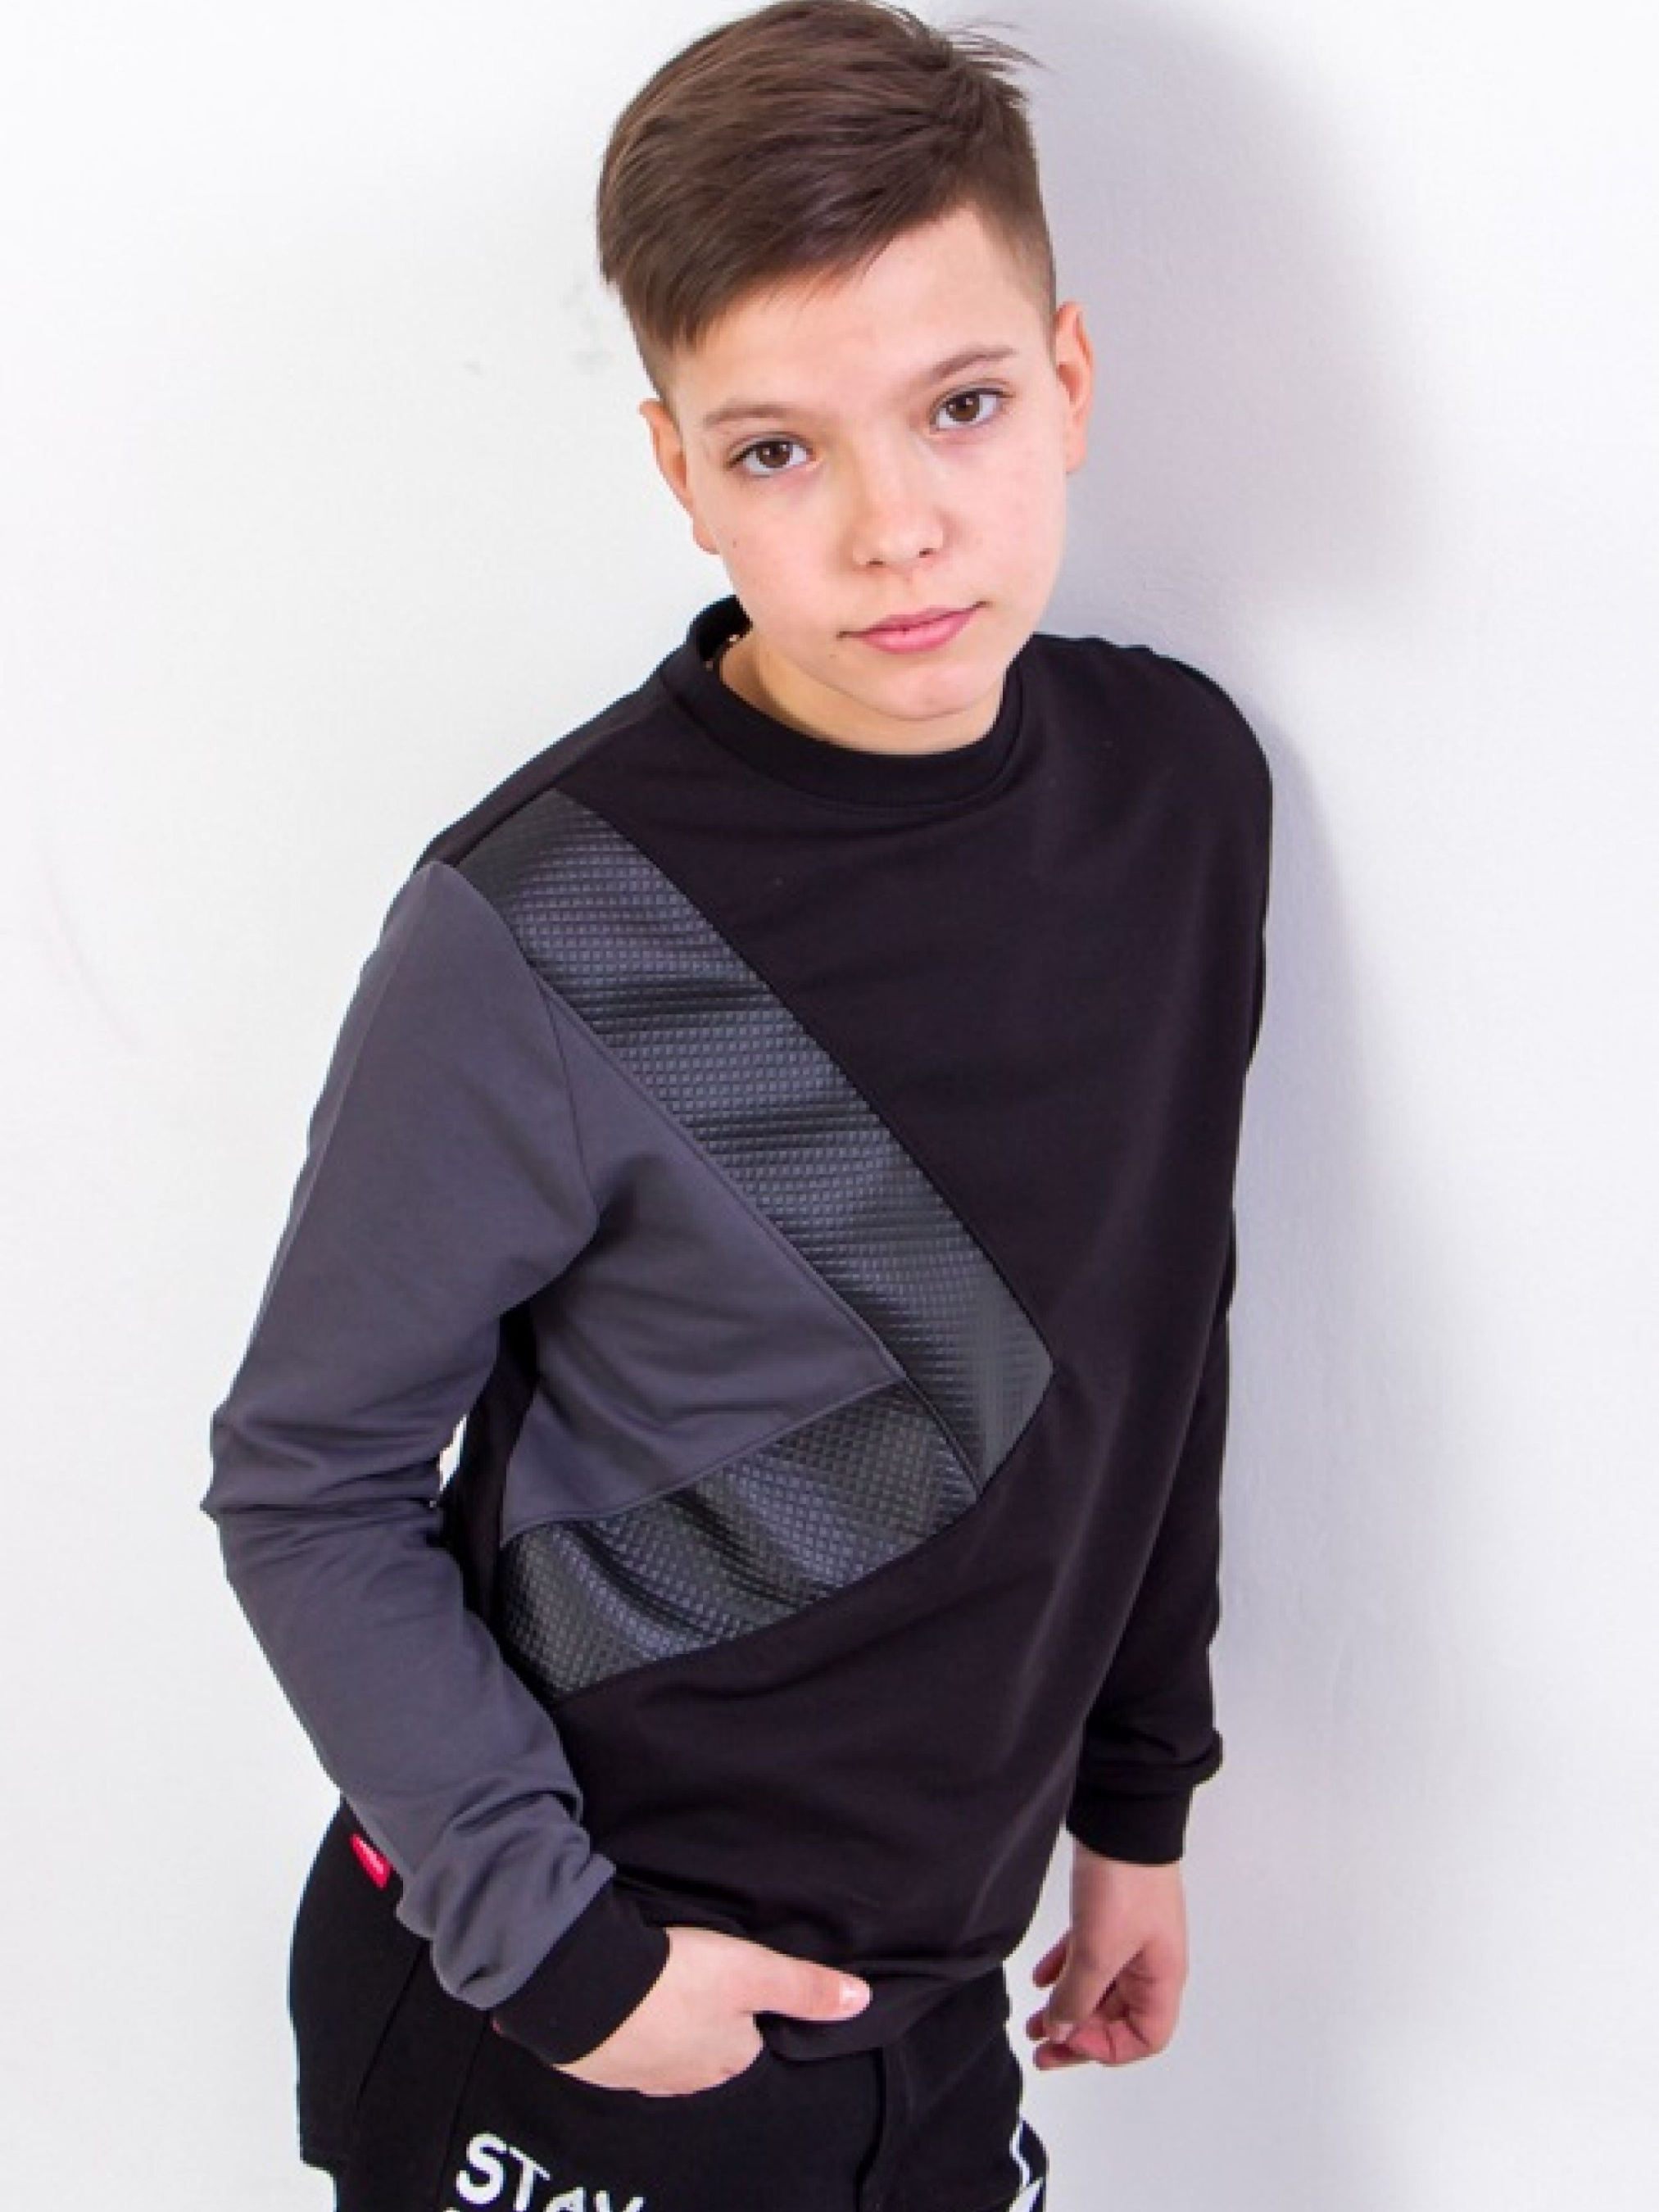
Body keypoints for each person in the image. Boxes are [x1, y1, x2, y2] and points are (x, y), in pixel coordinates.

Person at [203, 5, 1272, 2208]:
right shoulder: (543, 925)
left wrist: (1135, 1798)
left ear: (1068, 380)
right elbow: (305, 1476)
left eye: (961, 406)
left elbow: (1153, 1325)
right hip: (584, 1999)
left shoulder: (1175, 796)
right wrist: (566, 1958)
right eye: (779, 450)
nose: (896, 528)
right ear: (678, 471)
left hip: (934, 2009)